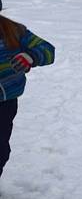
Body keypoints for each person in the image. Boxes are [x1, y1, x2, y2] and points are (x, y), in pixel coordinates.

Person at [0, 13, 55, 181]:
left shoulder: (13, 31)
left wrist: (31, 57)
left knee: (1, 150)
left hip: (5, 103)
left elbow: (47, 49)